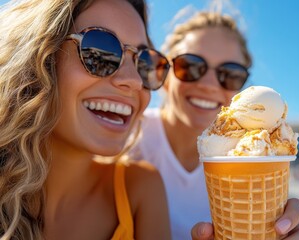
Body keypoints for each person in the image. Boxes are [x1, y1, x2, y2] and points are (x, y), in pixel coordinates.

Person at [132, 8, 299, 240]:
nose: (208, 84)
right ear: (165, 75)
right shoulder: (126, 140)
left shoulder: (255, 157)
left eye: (230, 73)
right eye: (191, 66)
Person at [0, 0, 173, 239]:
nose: (134, 80)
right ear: (39, 60)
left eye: (142, 62)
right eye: (101, 51)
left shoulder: (140, 189)